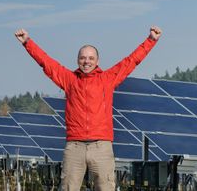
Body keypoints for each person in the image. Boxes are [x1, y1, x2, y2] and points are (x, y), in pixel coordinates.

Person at [14, 26, 162, 191]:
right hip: (74, 148)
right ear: (78, 60)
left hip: (101, 147)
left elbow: (131, 61)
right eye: (83, 58)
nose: (87, 61)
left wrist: (151, 40)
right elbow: (46, 62)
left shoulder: (107, 79)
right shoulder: (69, 80)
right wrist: (27, 42)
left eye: (91, 58)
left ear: (97, 61)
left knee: (106, 188)